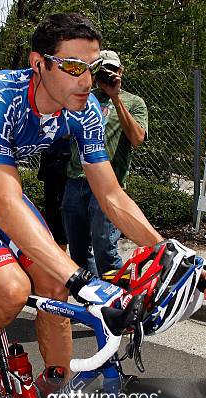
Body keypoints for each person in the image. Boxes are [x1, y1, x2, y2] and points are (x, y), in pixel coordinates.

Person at [0, 13, 206, 398]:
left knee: (54, 287)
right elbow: (4, 202)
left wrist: (170, 253)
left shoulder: (85, 109)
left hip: (0, 186)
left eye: (92, 68)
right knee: (14, 289)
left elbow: (112, 196)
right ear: (39, 63)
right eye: (73, 67)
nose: (86, 79)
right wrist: (84, 280)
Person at [62, 50, 148, 278]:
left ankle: (120, 303)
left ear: (121, 71)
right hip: (75, 181)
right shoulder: (83, 98)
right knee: (79, 252)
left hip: (107, 186)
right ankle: (93, 303)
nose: (108, 74)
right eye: (103, 69)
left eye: (113, 69)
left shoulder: (134, 102)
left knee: (105, 250)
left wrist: (116, 98)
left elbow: (137, 139)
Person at [37, 137, 71, 251]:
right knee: (53, 213)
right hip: (51, 164)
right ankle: (59, 251)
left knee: (65, 214)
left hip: (67, 167)